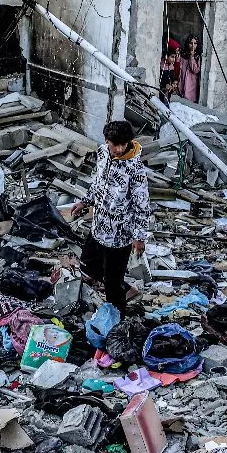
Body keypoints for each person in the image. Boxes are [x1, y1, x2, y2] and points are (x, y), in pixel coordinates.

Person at [71, 119, 152, 315]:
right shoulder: (102, 153)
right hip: (99, 226)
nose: (119, 149)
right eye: (115, 144)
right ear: (107, 141)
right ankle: (127, 290)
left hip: (120, 235)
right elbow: (98, 182)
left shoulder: (135, 169)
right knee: (87, 266)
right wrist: (85, 201)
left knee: (112, 284)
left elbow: (142, 206)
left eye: (123, 144)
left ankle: (117, 319)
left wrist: (139, 237)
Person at [177, 34, 201, 102]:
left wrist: (192, 57)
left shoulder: (198, 56)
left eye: (195, 43)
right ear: (188, 44)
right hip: (182, 82)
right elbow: (178, 67)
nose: (193, 45)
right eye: (191, 43)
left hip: (191, 85)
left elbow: (195, 70)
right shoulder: (183, 54)